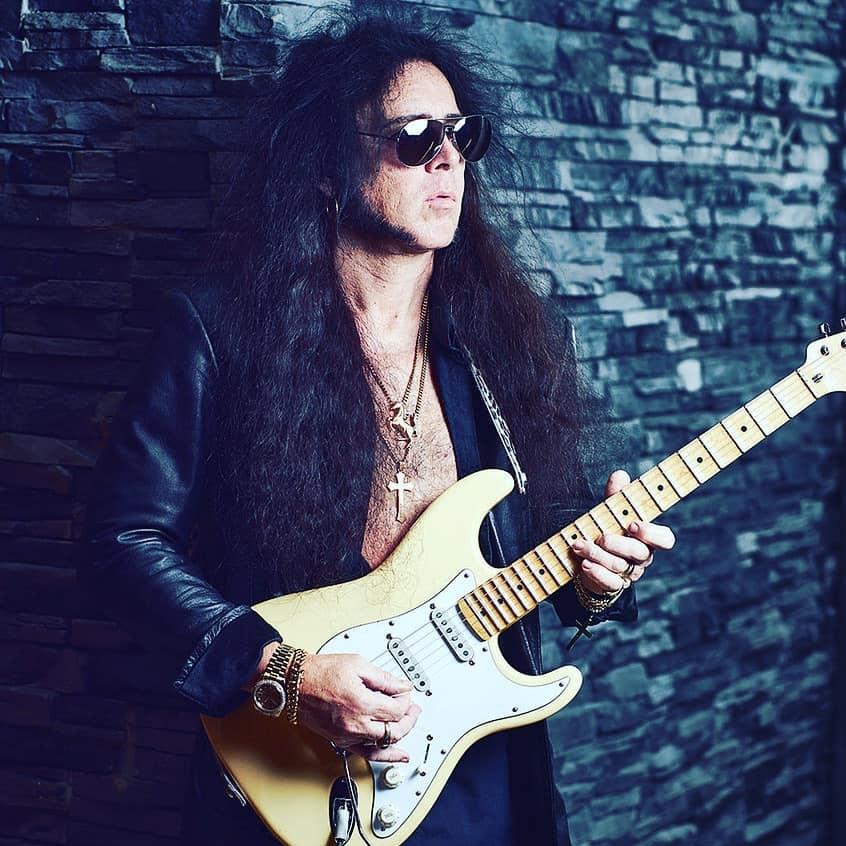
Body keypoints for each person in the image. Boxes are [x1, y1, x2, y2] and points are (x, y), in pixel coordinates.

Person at [82, 9, 675, 846]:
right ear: (328, 169)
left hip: (482, 783)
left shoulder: (508, 344)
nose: (448, 159)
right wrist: (283, 673)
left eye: (463, 135)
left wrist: (601, 579)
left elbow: (555, 540)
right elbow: (123, 544)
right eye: (413, 137)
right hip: (293, 774)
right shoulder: (220, 329)